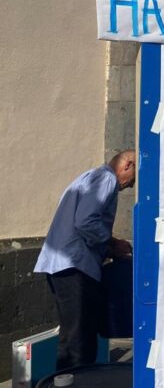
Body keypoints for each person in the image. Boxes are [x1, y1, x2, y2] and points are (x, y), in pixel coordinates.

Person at [34, 150, 136, 369]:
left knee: (71, 337)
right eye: (133, 180)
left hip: (60, 265)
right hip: (74, 266)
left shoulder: (88, 177)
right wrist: (112, 243)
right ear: (128, 165)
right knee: (80, 342)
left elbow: (80, 223)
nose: (131, 186)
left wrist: (109, 248)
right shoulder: (106, 178)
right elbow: (86, 221)